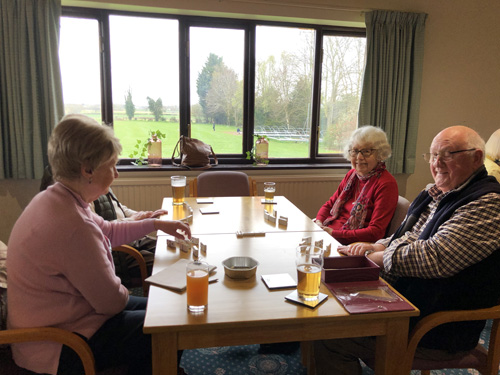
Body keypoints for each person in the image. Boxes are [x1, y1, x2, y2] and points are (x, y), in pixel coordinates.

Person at [7, 114, 191, 375]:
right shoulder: (71, 225)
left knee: (164, 308)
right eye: (112, 165)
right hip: (56, 346)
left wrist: (156, 225)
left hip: (70, 321)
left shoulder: (58, 198)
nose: (116, 173)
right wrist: (122, 289)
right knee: (166, 324)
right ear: (88, 169)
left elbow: (107, 230)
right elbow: (111, 303)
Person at [313, 125, 500, 375]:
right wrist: (378, 244)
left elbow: (433, 257)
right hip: (404, 298)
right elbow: (409, 235)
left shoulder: (487, 203)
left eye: (447, 154)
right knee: (325, 301)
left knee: (328, 335)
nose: (437, 163)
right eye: (433, 155)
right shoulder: (438, 192)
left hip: (435, 326)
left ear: (476, 157)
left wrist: (376, 255)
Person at [314, 125, 398, 245]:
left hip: (353, 244)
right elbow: (330, 204)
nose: (359, 157)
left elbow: (375, 232)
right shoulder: (352, 175)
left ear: (380, 154)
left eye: (366, 151)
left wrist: (333, 233)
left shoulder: (386, 184)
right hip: (330, 233)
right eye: (355, 151)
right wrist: (319, 223)